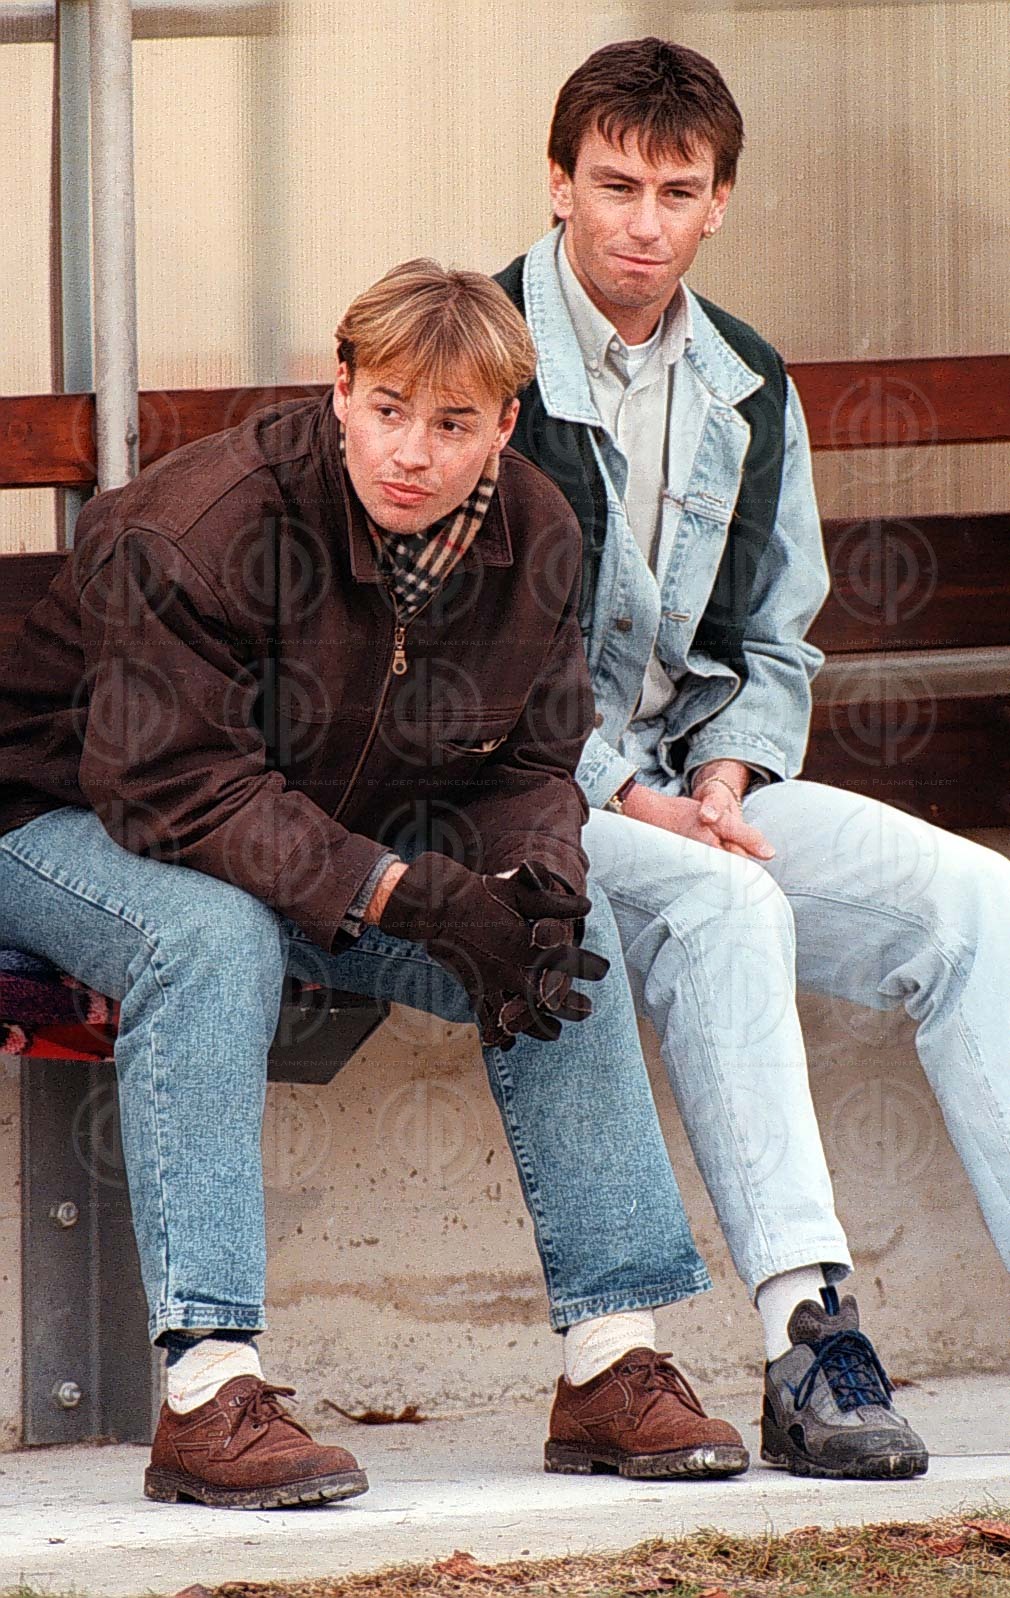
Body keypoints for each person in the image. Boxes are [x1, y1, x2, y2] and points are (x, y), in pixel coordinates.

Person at [0, 260, 750, 1509]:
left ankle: (612, 1362)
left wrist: (533, 878)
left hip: (314, 836)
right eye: (390, 407)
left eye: (452, 423)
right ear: (340, 387)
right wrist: (402, 891)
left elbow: (530, 757)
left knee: (561, 943)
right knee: (212, 935)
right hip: (58, 818)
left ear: (503, 425)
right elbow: (168, 784)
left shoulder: (534, 531)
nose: (412, 451)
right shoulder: (201, 524)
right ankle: (208, 1388)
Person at [495, 36, 1010, 1482]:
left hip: (689, 784)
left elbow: (778, 639)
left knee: (973, 903)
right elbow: (454, 654)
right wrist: (630, 790)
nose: (642, 223)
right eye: (613, 186)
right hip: (522, 794)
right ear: (557, 182)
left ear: (719, 200)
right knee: (729, 902)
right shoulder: (479, 352)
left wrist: (724, 775)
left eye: (677, 192)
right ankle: (808, 1336)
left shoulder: (746, 379)